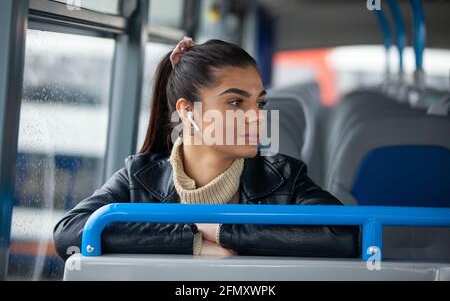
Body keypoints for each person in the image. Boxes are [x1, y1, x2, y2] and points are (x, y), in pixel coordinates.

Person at [53, 37, 360, 261]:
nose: (257, 117)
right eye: (236, 102)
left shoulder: (284, 178)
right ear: (187, 112)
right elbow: (70, 233)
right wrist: (193, 241)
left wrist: (222, 231)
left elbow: (345, 235)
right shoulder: (140, 178)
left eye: (260, 103)